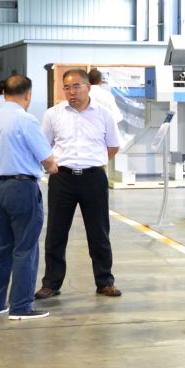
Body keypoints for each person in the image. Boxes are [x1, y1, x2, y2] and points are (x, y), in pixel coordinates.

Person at [0, 75, 59, 320]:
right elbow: (47, 158)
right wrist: (52, 167)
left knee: (0, 248)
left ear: (4, 93)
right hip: (21, 188)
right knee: (25, 248)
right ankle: (21, 306)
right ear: (28, 95)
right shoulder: (26, 120)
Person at [37, 68, 122, 300]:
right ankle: (51, 283)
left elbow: (113, 145)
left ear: (88, 87)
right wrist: (53, 165)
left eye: (76, 86)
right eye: (67, 88)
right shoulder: (53, 114)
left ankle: (105, 281)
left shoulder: (104, 115)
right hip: (62, 178)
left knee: (99, 232)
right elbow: (43, 146)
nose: (72, 92)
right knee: (56, 232)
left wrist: (94, 162)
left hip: (93, 178)